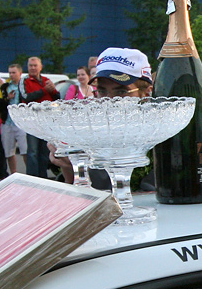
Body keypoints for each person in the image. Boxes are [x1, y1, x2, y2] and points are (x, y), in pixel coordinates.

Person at [50, 47, 153, 186]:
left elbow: (146, 191)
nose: (109, 100)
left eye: (121, 92)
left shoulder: (160, 135)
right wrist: (69, 168)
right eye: (102, 91)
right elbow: (74, 190)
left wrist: (87, 168)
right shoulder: (89, 133)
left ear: (146, 94)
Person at [23, 56, 59, 178]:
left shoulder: (46, 80)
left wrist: (53, 90)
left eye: (35, 65)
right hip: (32, 120)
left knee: (44, 151)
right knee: (33, 151)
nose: (33, 68)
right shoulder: (25, 81)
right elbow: (26, 97)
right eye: (30, 65)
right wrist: (44, 90)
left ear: (41, 67)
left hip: (46, 121)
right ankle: (32, 178)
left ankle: (43, 177)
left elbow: (57, 99)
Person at [0, 64, 28, 176]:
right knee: (9, 151)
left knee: (25, 150)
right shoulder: (5, 87)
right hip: (8, 122)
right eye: (10, 73)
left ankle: (29, 173)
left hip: (22, 122)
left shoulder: (24, 85)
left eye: (14, 72)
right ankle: (13, 174)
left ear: (20, 73)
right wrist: (7, 98)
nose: (11, 75)